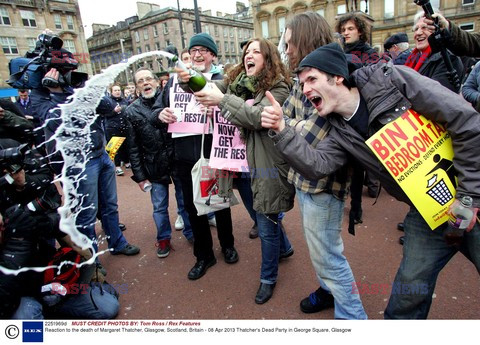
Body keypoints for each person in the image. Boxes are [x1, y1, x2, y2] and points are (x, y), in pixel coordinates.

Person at [261, 42, 480, 319]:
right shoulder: (338, 129)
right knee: (408, 293)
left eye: (312, 79)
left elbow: (466, 122)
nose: (304, 90)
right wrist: (281, 130)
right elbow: (317, 165)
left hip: (471, 197)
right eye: (302, 83)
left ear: (337, 76)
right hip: (429, 212)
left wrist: (469, 197)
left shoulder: (392, 80)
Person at [189, 38, 295, 304]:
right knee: (259, 214)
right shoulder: (235, 83)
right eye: (247, 51)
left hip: (267, 166)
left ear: (268, 58)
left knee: (266, 223)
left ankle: (268, 278)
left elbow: (257, 118)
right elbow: (207, 86)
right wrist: (188, 74)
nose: (249, 55)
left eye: (256, 51)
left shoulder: (279, 87)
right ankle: (286, 248)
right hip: (240, 166)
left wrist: (222, 100)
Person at [275, 12, 366, 318]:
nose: (286, 50)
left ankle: (353, 318)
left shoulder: (330, 74)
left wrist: (289, 127)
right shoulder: (303, 76)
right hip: (304, 180)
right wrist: (292, 126)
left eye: (289, 44)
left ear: (304, 40)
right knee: (320, 253)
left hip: (324, 185)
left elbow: (310, 142)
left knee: (329, 257)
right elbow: (289, 120)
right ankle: (328, 293)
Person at [30, 67, 140, 264]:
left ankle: (117, 243)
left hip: (102, 155)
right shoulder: (40, 94)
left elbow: (109, 107)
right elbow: (57, 121)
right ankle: (91, 260)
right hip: (78, 164)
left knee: (110, 206)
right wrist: (57, 92)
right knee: (86, 213)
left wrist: (84, 87)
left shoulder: (81, 90)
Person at [154, 33, 238, 280]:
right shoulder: (173, 82)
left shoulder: (225, 80)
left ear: (213, 54)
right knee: (193, 210)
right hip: (184, 157)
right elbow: (155, 111)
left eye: (203, 50)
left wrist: (218, 109)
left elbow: (239, 112)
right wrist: (161, 114)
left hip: (216, 152)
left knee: (220, 202)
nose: (198, 54)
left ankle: (228, 245)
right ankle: (204, 256)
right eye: (193, 50)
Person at [125, 67, 194, 257]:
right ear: (137, 87)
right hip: (153, 166)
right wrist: (140, 176)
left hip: (177, 161)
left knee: (185, 201)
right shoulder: (131, 111)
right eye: (141, 81)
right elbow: (132, 147)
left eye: (149, 79)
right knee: (159, 206)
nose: (146, 83)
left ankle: (191, 232)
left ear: (157, 82)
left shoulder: (171, 101)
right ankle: (163, 239)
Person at [335, 12, 378, 226]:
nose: (346, 33)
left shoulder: (370, 54)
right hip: (343, 113)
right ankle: (343, 198)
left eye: (350, 29)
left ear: (360, 31)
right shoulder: (339, 52)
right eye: (343, 30)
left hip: (363, 113)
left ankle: (357, 206)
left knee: (359, 163)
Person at [97, 84, 130, 176]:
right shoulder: (107, 102)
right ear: (111, 92)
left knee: (125, 145)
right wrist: (114, 111)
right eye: (115, 90)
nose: (117, 92)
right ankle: (117, 166)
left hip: (124, 126)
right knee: (115, 147)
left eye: (119, 90)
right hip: (112, 127)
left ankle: (127, 162)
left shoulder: (125, 101)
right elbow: (103, 115)